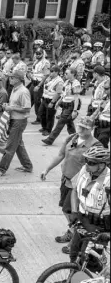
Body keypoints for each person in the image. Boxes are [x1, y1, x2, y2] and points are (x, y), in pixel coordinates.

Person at [41, 116, 102, 250]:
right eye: (79, 126)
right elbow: (60, 155)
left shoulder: (96, 145)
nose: (80, 129)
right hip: (66, 180)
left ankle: (75, 241)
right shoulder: (71, 138)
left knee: (71, 212)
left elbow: (99, 168)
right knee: (66, 209)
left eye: (85, 128)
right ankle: (72, 231)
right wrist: (47, 169)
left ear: (92, 129)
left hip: (80, 186)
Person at [65, 146, 110, 266]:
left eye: (91, 162)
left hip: (98, 224)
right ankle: (70, 282)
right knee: (74, 252)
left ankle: (90, 282)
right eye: (86, 160)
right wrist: (74, 212)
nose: (87, 164)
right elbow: (74, 190)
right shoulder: (85, 170)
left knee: (88, 258)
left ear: (101, 165)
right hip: (82, 218)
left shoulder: (108, 180)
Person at [0, 70, 33, 177]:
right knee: (18, 144)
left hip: (19, 121)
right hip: (14, 120)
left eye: (12, 78)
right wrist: (7, 105)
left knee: (10, 146)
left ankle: (2, 169)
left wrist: (11, 107)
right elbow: (16, 104)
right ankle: (27, 166)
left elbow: (27, 108)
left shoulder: (23, 91)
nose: (10, 79)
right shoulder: (15, 89)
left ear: (18, 79)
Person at [43, 68, 81, 146]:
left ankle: (50, 139)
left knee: (60, 122)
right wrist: (58, 102)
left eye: (67, 73)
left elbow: (76, 98)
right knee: (69, 123)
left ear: (73, 74)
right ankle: (76, 139)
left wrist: (75, 110)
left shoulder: (76, 83)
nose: (65, 75)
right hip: (65, 105)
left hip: (71, 106)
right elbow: (64, 94)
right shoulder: (66, 82)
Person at [38, 65, 64, 136]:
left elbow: (58, 93)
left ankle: (48, 130)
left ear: (57, 72)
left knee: (49, 116)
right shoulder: (49, 78)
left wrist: (52, 102)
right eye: (50, 71)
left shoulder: (59, 81)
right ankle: (44, 127)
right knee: (41, 113)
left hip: (51, 100)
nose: (50, 72)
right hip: (45, 99)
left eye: (52, 71)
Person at [29, 48, 51, 124]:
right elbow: (35, 72)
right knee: (29, 99)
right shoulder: (36, 61)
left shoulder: (45, 63)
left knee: (37, 101)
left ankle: (39, 118)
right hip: (33, 82)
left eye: (39, 53)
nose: (38, 55)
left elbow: (45, 75)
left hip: (39, 84)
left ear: (43, 54)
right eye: (37, 53)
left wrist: (39, 85)